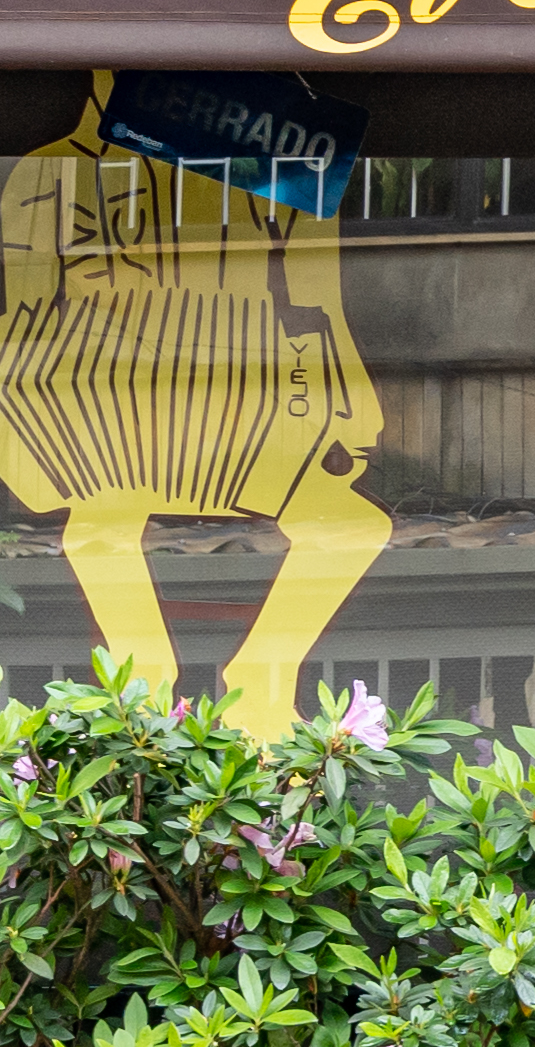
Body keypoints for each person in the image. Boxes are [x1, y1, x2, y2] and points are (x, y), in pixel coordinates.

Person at [0, 77, 388, 737]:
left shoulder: (286, 163)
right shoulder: (51, 172)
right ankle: (143, 694)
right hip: (105, 405)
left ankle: (261, 681)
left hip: (249, 403)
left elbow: (319, 295)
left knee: (352, 526)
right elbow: (26, 309)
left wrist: (352, 396)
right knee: (100, 523)